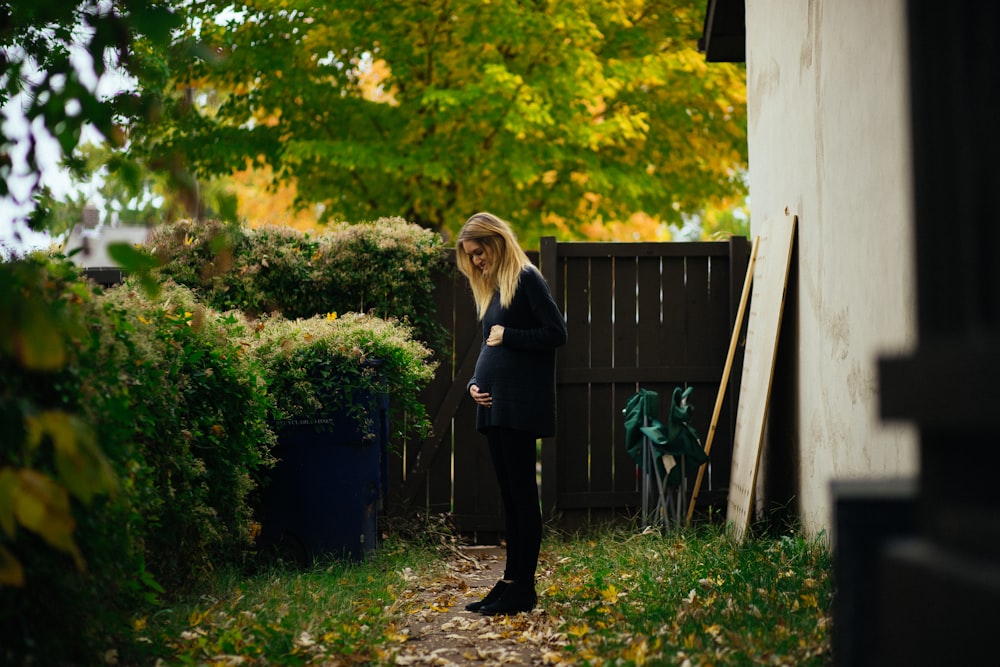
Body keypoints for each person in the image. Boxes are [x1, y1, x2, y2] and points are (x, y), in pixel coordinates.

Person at [455, 211, 567, 615]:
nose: (477, 261)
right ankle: (508, 581)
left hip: (520, 405)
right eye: (470, 256)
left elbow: (557, 332)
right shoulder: (494, 290)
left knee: (522, 496)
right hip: (496, 405)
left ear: (497, 242)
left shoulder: (526, 278)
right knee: (509, 496)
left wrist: (512, 335)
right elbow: (490, 346)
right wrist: (472, 384)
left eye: (480, 252)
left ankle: (524, 587)